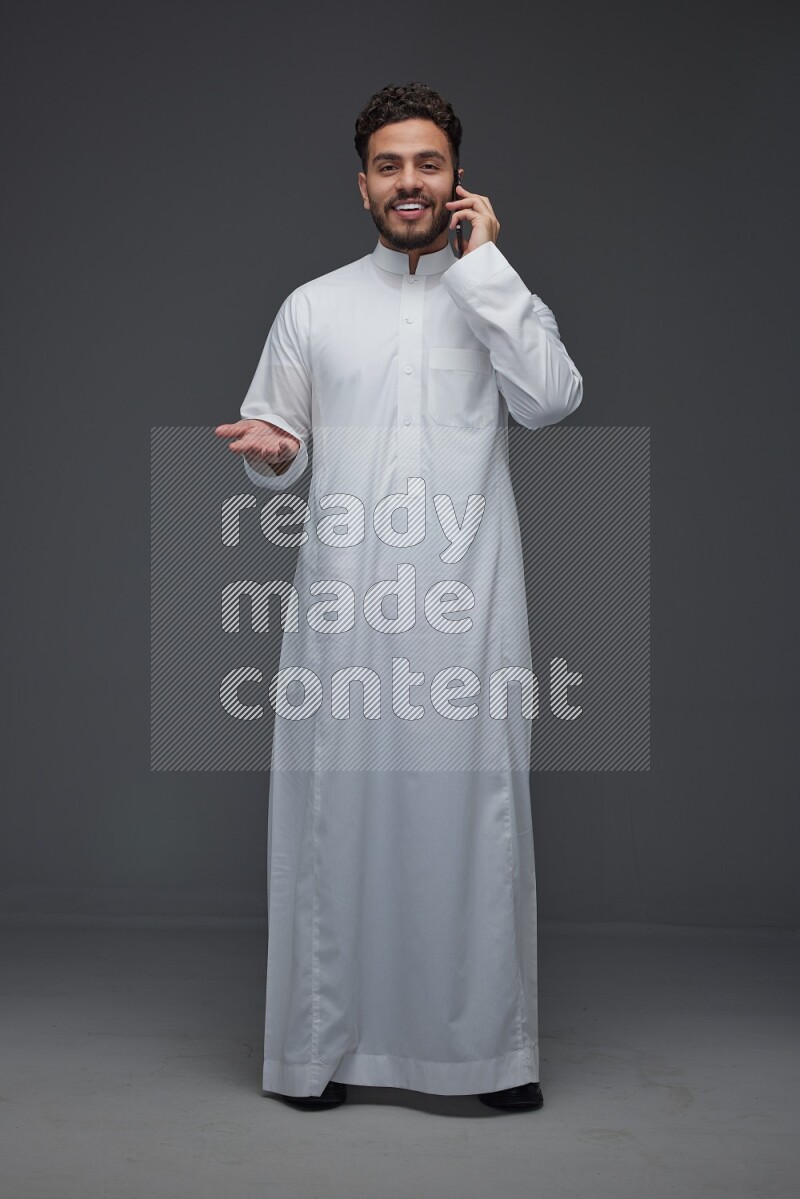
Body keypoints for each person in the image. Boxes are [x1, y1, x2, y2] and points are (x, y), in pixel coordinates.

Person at [215, 82, 583, 1113]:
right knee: (337, 820)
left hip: (468, 610)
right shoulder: (314, 304)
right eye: (388, 164)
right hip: (345, 609)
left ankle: (485, 1055)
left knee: (477, 822)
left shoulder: (494, 294)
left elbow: (550, 398)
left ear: (455, 178)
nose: (408, 182)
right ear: (362, 182)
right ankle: (319, 1051)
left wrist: (489, 268)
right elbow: (271, 440)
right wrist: (277, 453)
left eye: (426, 163)